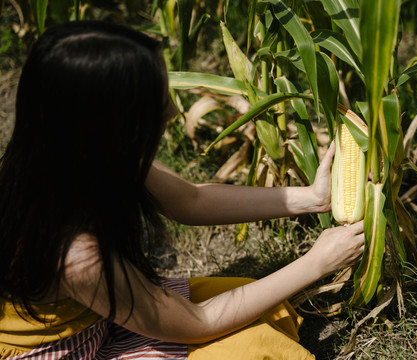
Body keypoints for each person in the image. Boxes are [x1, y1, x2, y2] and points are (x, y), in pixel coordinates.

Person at [0, 21, 365, 359]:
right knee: (258, 350)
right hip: (65, 349)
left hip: (99, 316)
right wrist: (317, 262)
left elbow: (193, 200)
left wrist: (311, 198)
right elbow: (197, 323)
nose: (173, 113)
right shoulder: (77, 256)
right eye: (158, 105)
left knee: (269, 308)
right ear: (112, 127)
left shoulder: (77, 160)